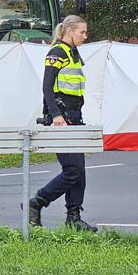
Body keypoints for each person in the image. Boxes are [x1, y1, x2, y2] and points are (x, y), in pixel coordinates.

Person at [27, 15, 97, 232]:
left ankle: (73, 218)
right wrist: (57, 116)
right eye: (82, 32)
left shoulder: (72, 54)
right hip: (62, 119)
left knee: (80, 171)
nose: (85, 36)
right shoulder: (57, 53)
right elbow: (47, 88)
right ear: (69, 32)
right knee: (72, 170)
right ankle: (36, 203)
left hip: (74, 118)